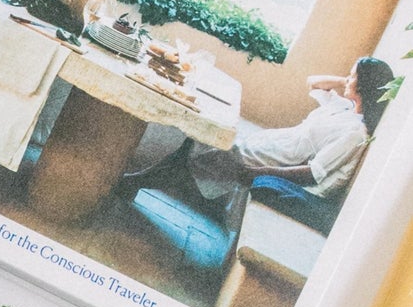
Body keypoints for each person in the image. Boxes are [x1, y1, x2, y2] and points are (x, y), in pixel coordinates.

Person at [127, 56, 394, 206]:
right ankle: (137, 181)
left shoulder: (355, 132)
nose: (347, 79)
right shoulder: (345, 108)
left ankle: (136, 182)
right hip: (268, 144)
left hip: (272, 159)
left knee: (197, 149)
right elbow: (314, 83)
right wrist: (349, 79)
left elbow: (313, 173)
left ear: (365, 85)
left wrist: (255, 174)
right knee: (196, 143)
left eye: (353, 77)